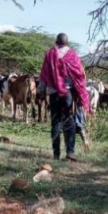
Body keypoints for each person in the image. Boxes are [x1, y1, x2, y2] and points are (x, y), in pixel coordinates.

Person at [39, 33, 92, 161]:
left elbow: (44, 75)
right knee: (70, 121)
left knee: (56, 122)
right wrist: (79, 92)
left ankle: (56, 154)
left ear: (57, 42)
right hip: (68, 94)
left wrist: (40, 91)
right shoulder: (73, 55)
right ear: (67, 43)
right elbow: (79, 75)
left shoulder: (50, 54)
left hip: (53, 93)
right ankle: (70, 152)